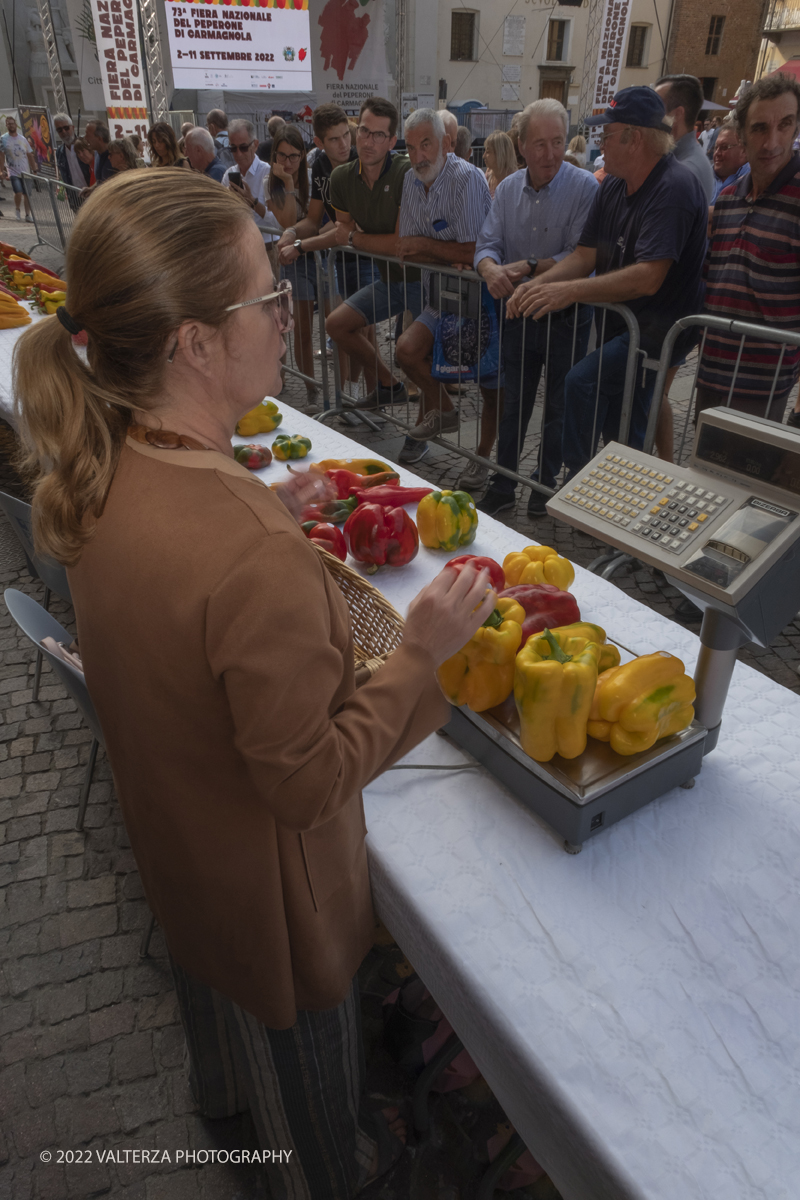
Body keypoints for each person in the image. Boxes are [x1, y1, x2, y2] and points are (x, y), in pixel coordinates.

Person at [13, 166, 496, 1199]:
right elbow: (307, 781)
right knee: (310, 1104)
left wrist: (264, 502)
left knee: (229, 1049)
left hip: (185, 859)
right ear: (193, 342)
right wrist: (421, 649)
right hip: (273, 906)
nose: (290, 314)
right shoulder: (245, 550)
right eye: (267, 296)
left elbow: (183, 582)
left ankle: (222, 1107)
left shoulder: (109, 460)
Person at [508, 87, 708, 479]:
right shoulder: (614, 184)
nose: (600, 144)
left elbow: (649, 277)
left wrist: (565, 291)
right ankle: (618, 493)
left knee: (584, 382)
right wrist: (539, 285)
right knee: (622, 417)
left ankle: (579, 482)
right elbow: (586, 255)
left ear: (634, 138)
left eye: (607, 135)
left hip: (660, 329)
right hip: (629, 324)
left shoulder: (675, 186)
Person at [474, 99, 599, 517]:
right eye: (540, 144)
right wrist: (491, 270)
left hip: (568, 314)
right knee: (515, 403)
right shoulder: (507, 189)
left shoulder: (585, 187)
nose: (550, 154)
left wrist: (529, 267)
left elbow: (581, 256)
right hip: (518, 314)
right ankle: (505, 483)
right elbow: (486, 245)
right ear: (522, 145)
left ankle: (544, 487)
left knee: (560, 404)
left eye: (557, 143)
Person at [389, 109, 496, 470]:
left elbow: (471, 251)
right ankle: (444, 411)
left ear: (446, 144)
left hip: (482, 302)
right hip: (441, 298)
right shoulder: (410, 179)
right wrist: (439, 250)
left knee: (489, 384)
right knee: (406, 350)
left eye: (426, 144)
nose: (418, 156)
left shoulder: (467, 179)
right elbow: (405, 246)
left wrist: (426, 245)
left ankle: (482, 460)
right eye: (411, 147)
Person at [697, 73, 800, 424]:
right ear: (741, 135)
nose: (772, 141)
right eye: (759, 128)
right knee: (702, 473)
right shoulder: (726, 200)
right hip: (712, 372)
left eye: (784, 125)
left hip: (763, 386)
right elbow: (712, 280)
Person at [326, 97, 424, 453]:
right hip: (391, 281)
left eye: (378, 135)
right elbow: (341, 232)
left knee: (415, 356)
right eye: (364, 130)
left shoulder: (404, 173)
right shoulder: (341, 177)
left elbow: (398, 243)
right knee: (336, 324)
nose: (368, 140)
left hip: (425, 279)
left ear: (392, 141)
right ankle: (387, 384)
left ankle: (421, 434)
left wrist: (353, 238)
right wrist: (304, 241)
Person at [276, 103, 380, 396]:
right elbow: (312, 219)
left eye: (346, 135)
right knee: (347, 330)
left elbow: (347, 229)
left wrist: (299, 243)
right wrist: (292, 231)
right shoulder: (320, 165)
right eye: (335, 139)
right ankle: (353, 394)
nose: (344, 143)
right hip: (341, 257)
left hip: (368, 253)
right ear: (319, 143)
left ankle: (371, 393)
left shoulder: (363, 159)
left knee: (364, 329)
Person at [266, 126, 318, 401]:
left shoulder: (313, 178)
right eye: (282, 156)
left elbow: (316, 222)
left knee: (332, 324)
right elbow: (288, 223)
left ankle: (344, 392)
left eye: (293, 156)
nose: (287, 163)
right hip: (292, 263)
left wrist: (306, 236)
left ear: (303, 155)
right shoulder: (271, 183)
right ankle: (311, 389)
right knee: (302, 330)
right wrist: (287, 184)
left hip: (319, 257)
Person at [221, 118, 282, 266]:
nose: (238, 154)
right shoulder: (229, 174)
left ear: (255, 145)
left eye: (243, 147)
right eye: (233, 148)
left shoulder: (269, 173)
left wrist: (252, 202)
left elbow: (279, 221)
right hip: (241, 250)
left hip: (269, 250)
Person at [654, 74, 716, 202]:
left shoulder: (685, 171)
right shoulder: (682, 159)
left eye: (656, 108)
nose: (649, 115)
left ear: (676, 115)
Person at [0, 115, 36, 221]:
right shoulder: (3, 139)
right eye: (9, 124)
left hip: (26, 171)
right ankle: (17, 209)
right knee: (18, 191)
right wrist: (1, 171)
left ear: (16, 124)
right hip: (13, 171)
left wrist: (34, 170)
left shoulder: (22, 139)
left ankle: (28, 215)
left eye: (12, 123)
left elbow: (29, 154)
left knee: (27, 194)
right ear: (6, 125)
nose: (11, 125)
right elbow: (1, 156)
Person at [710, 119, 749, 203]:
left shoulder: (753, 180)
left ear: (744, 150)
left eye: (724, 147)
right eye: (716, 148)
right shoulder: (703, 176)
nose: (717, 153)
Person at [53, 112, 91, 189]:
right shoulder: (59, 152)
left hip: (92, 192)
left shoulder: (85, 145)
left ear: (72, 128)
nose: (63, 132)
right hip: (74, 196)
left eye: (66, 128)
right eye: (59, 130)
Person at [483, 129, 516, 197]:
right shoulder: (487, 177)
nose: (483, 156)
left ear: (500, 153)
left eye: (488, 151)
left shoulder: (515, 182)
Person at [83, 121, 115, 186]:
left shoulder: (115, 155)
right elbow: (100, 181)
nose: (85, 138)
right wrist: (92, 188)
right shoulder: (97, 154)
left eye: (87, 135)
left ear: (99, 138)